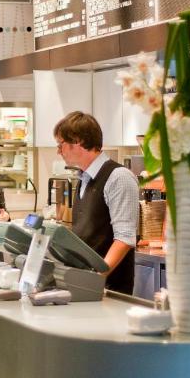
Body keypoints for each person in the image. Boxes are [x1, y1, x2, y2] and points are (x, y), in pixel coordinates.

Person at [54, 111, 139, 294]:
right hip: (84, 286)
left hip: (109, 290)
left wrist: (95, 279)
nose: (58, 151)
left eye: (61, 144)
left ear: (78, 141)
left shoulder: (119, 177)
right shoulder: (83, 179)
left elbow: (124, 239)